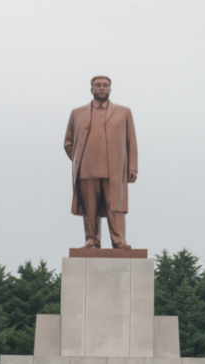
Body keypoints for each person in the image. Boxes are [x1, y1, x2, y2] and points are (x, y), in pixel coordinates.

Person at [64, 76, 138, 249]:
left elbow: (131, 141)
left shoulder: (123, 112)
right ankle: (91, 239)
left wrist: (132, 167)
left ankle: (119, 239)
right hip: (86, 169)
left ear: (110, 89)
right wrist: (79, 160)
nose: (102, 88)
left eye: (105, 85)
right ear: (92, 89)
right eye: (98, 85)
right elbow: (68, 142)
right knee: (90, 207)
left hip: (115, 169)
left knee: (116, 206)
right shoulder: (77, 113)